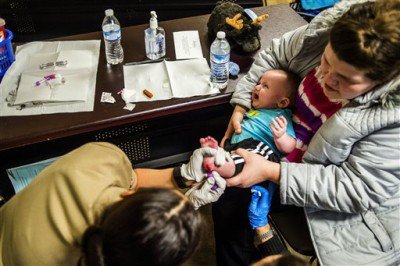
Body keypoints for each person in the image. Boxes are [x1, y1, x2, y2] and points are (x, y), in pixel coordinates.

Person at [213, 0, 400, 265]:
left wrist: (271, 171)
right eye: (326, 61)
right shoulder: (324, 33)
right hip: (287, 146)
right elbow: (274, 55)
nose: (326, 78)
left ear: (380, 83)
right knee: (228, 184)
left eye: (345, 80)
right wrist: (242, 105)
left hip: (333, 193)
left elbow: (356, 188)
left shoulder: (392, 118)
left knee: (233, 197)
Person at [0, 142, 227, 265]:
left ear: (127, 197)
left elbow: (135, 180)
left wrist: (185, 174)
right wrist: (191, 204)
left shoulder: (100, 161)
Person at [200, 69, 299, 179]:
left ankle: (215, 163)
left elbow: (290, 146)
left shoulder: (281, 116)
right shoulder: (256, 108)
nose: (257, 87)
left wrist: (281, 136)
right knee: (231, 157)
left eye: (265, 86)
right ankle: (216, 158)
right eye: (258, 83)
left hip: (260, 150)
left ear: (282, 102)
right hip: (237, 146)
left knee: (242, 162)